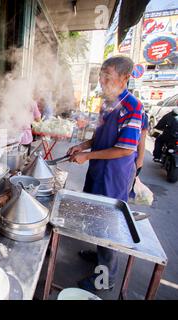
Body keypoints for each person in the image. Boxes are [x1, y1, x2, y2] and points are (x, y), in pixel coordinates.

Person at [67, 56, 143, 292]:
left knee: (108, 223)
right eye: (101, 75)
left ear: (124, 78)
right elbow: (99, 137)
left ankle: (105, 278)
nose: (101, 80)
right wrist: (83, 146)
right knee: (96, 216)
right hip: (98, 170)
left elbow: (124, 149)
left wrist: (87, 156)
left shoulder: (133, 107)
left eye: (107, 76)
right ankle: (98, 253)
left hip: (114, 176)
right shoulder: (108, 103)